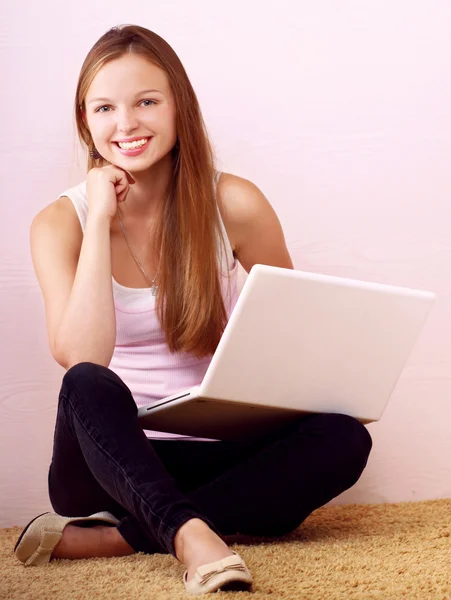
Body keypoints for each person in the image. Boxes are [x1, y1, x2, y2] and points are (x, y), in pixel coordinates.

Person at [14, 24, 372, 595]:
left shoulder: (235, 202)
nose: (126, 124)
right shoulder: (60, 223)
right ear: (86, 122)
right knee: (87, 384)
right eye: (104, 107)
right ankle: (192, 534)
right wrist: (101, 216)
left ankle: (123, 538)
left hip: (219, 454)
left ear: (180, 107)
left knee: (344, 438)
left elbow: (294, 329)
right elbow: (82, 355)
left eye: (147, 102)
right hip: (115, 463)